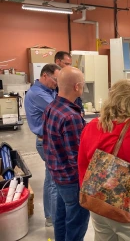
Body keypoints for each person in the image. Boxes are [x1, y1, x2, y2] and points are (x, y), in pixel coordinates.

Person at [78, 79, 130, 241]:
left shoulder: (91, 126)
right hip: (127, 207)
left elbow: (83, 164)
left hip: (98, 204)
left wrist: (88, 194)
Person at [43, 66, 89, 241]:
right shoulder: (71, 117)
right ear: (77, 87)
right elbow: (77, 158)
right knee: (76, 224)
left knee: (61, 219)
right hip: (72, 181)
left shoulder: (52, 107)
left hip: (58, 176)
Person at [24, 63, 61, 227]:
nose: (57, 83)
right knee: (54, 181)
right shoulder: (38, 93)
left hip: (49, 140)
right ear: (45, 76)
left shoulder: (50, 90)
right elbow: (59, 110)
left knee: (50, 179)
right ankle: (54, 218)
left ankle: (50, 215)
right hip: (46, 141)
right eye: (55, 79)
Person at [54, 51, 85, 116]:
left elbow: (77, 97)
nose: (69, 67)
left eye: (70, 64)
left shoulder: (71, 78)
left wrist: (81, 111)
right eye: (66, 64)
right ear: (57, 61)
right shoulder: (53, 83)